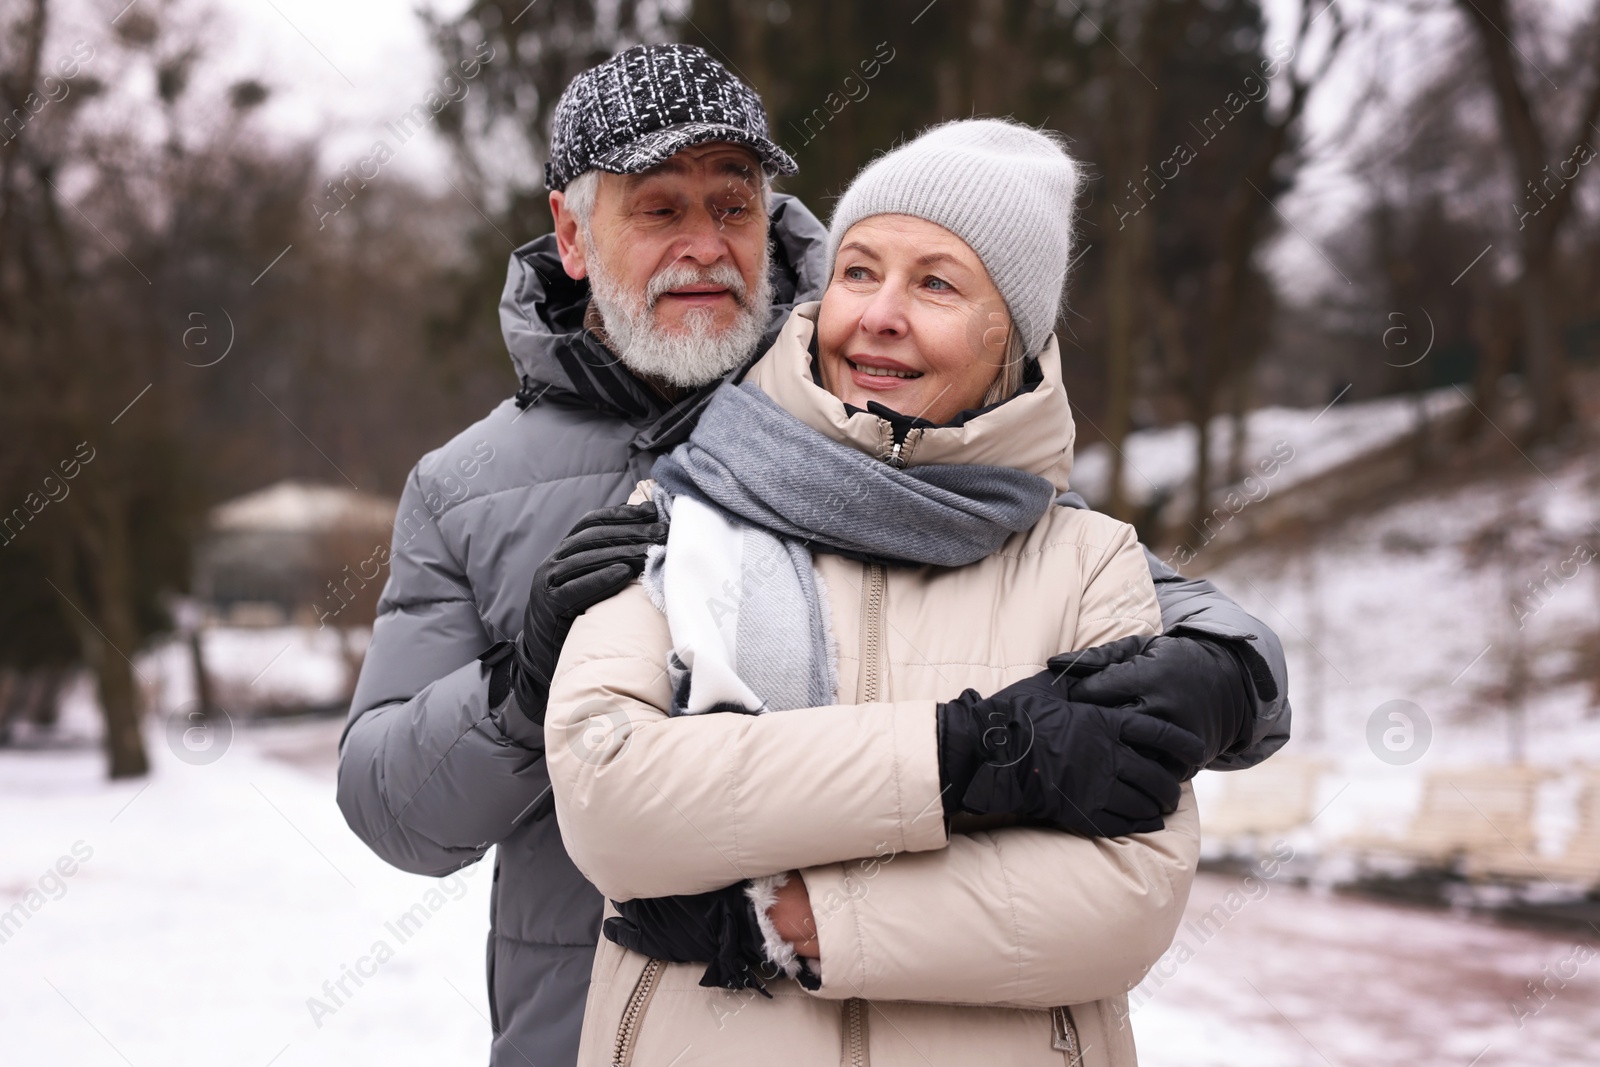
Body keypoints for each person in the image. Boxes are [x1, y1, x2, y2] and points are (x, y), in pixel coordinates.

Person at [337, 45, 1290, 1067]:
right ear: (572, 232)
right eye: (660, 209)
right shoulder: (464, 488)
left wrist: (1228, 670)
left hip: (920, 1010)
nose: (704, 246)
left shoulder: (877, 400)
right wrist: (518, 692)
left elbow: (1064, 562)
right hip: (586, 1025)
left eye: (732, 206)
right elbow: (394, 808)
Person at [546, 118, 1204, 1066]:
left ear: (1012, 333)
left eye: (935, 282)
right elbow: (610, 798)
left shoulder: (1089, 561)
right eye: (858, 271)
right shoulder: (688, 504)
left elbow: (1129, 895)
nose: (880, 314)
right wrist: (961, 755)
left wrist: (818, 915)